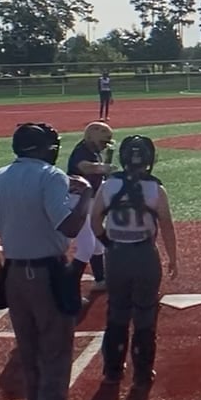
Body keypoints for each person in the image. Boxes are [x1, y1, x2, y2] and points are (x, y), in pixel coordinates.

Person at [0, 123, 93, 400]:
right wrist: (86, 194)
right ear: (44, 148)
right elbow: (69, 226)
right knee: (55, 352)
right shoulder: (51, 175)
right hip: (48, 272)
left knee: (29, 352)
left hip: (14, 272)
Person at [92, 135, 179, 388]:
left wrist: (108, 243)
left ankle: (113, 370)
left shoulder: (109, 185)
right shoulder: (156, 188)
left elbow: (94, 220)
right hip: (144, 255)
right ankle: (142, 373)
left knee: (117, 311)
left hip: (117, 255)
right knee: (145, 313)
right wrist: (173, 258)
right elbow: (166, 226)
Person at [67, 122, 115, 292]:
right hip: (78, 201)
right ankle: (69, 286)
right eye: (104, 140)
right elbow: (85, 167)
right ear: (92, 135)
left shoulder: (93, 152)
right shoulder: (82, 151)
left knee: (96, 245)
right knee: (86, 245)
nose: (106, 144)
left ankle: (100, 279)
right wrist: (104, 168)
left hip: (88, 200)